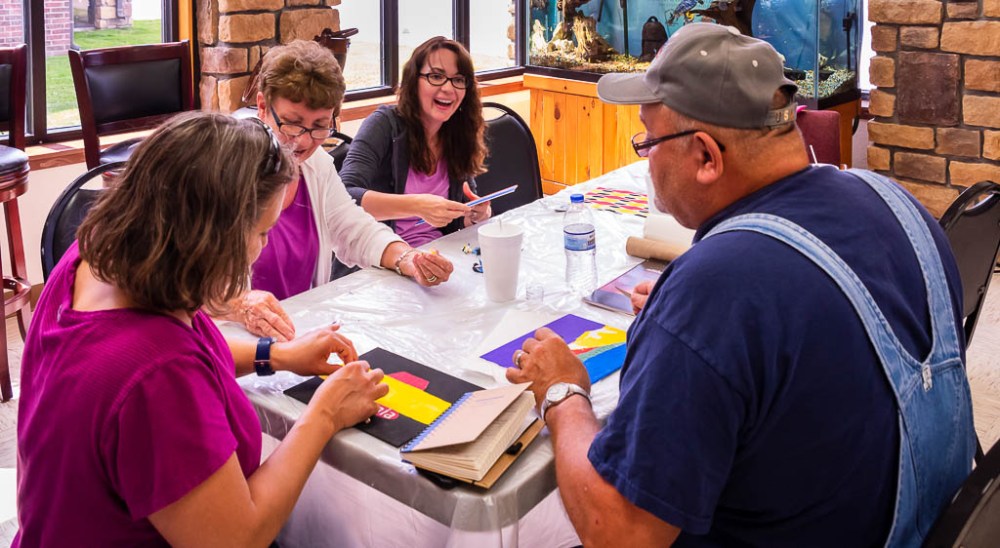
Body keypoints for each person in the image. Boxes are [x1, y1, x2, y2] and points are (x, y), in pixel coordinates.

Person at [507, 23, 976, 546]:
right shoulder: (896, 201)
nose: (646, 158)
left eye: (648, 140)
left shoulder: (716, 289)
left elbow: (617, 531)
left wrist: (563, 395)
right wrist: (688, 338)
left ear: (706, 157)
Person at [15, 112, 389, 546]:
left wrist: (274, 354)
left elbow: (181, 355)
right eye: (262, 232)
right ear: (212, 237)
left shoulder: (94, 258)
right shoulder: (157, 375)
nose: (263, 247)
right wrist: (324, 414)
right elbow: (237, 538)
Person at [224, 40, 457, 341]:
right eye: (293, 124)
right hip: (234, 347)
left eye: (320, 126)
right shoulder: (225, 171)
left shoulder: (316, 165)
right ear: (262, 107)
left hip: (297, 338)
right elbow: (176, 279)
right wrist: (238, 304)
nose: (304, 142)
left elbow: (353, 228)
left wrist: (407, 259)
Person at [340, 36, 492, 247]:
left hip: (436, 253)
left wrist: (473, 215)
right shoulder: (383, 125)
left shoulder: (459, 132)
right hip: (380, 257)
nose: (448, 89)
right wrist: (417, 205)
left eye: (458, 80)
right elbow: (344, 195)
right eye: (436, 76)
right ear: (413, 81)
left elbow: (456, 215)